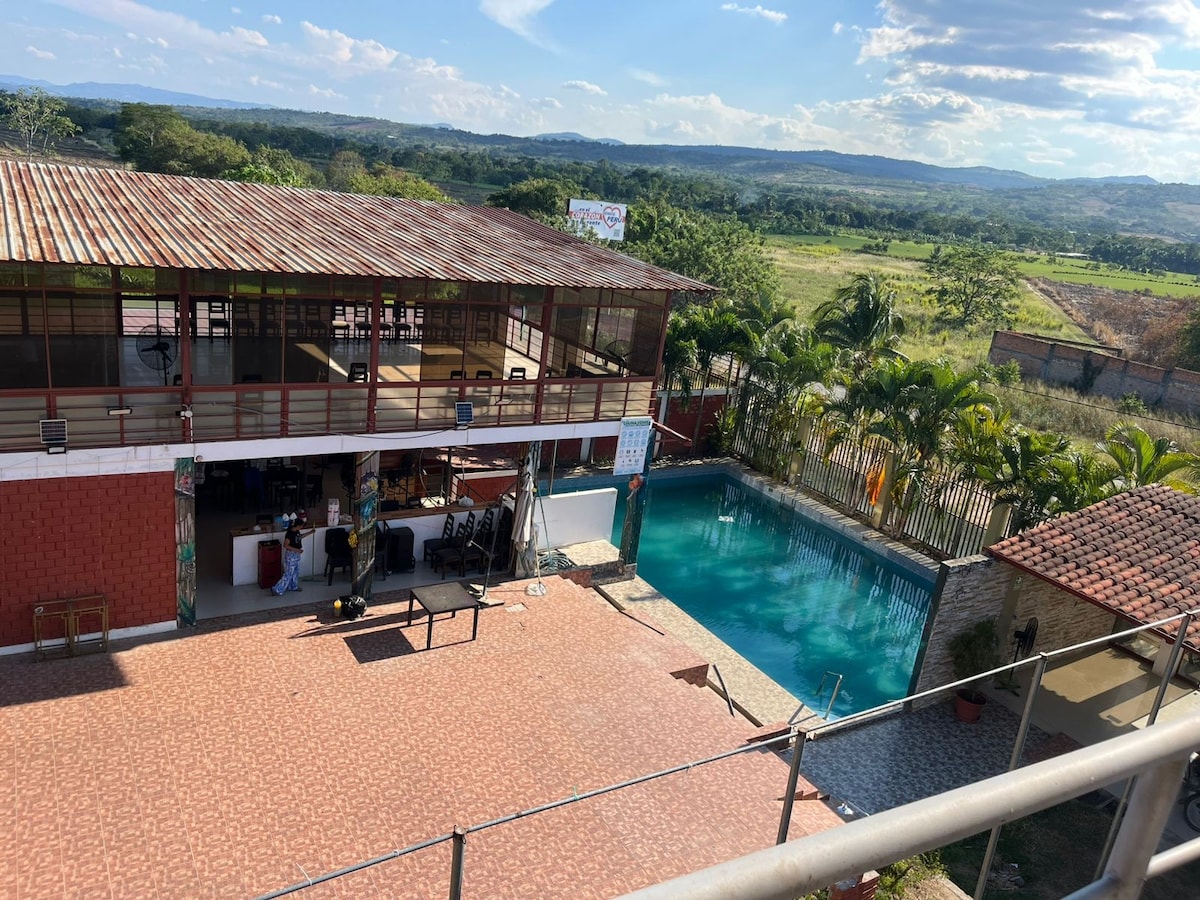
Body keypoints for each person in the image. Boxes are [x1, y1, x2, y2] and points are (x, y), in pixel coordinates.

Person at [271, 512, 310, 595]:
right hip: (291, 555)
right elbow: (286, 545)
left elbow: (299, 537)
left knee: (295, 571)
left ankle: (293, 586)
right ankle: (277, 589)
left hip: (296, 555)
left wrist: (310, 533)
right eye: (301, 526)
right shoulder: (289, 534)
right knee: (288, 573)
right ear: (297, 526)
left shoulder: (297, 532)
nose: (301, 527)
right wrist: (297, 550)